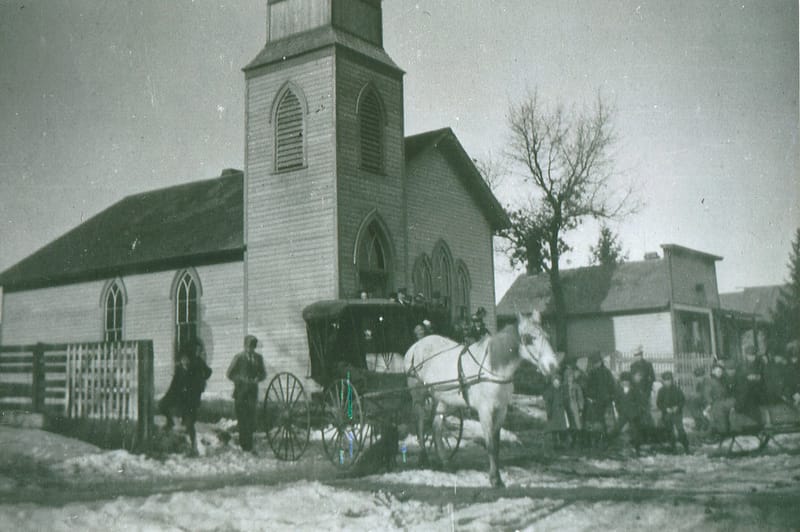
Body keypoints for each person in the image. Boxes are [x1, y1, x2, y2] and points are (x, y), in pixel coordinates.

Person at [159, 340, 212, 454]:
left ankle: (192, 447)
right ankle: (181, 443)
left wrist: (201, 379)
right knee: (180, 420)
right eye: (197, 350)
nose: (199, 352)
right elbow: (175, 384)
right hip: (182, 398)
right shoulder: (187, 366)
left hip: (192, 398)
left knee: (189, 422)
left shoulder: (198, 363)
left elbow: (208, 372)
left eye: (200, 350)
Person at [226, 335, 267, 452]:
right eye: (249, 346)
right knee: (242, 419)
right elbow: (229, 374)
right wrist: (240, 379)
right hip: (240, 393)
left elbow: (263, 373)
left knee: (250, 419)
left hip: (252, 393)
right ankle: (244, 445)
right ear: (245, 346)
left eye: (253, 346)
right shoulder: (239, 358)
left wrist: (257, 378)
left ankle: (248, 445)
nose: (251, 349)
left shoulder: (258, 358)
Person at [612, 371, 651, 454]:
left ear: (629, 382)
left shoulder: (635, 390)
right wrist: (619, 409)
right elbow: (616, 401)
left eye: (626, 382)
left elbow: (641, 401)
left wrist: (638, 411)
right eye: (623, 382)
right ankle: (610, 445)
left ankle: (637, 448)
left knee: (635, 432)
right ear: (621, 382)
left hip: (634, 415)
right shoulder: (618, 390)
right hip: (623, 414)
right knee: (616, 429)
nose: (625, 384)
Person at [584, 353, 616, 448]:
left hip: (598, 401)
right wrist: (611, 397)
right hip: (603, 401)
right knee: (602, 422)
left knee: (598, 422)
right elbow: (612, 386)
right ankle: (604, 440)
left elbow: (588, 387)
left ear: (599, 362)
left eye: (595, 362)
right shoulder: (606, 372)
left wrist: (590, 397)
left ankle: (601, 441)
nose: (595, 364)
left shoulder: (594, 373)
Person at [656, 371, 689, 453]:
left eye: (669, 380)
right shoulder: (661, 391)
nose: (668, 382)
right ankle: (673, 447)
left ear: (672, 380)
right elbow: (659, 403)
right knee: (669, 430)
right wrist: (665, 409)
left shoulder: (677, 390)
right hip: (667, 414)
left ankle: (686, 447)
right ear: (663, 381)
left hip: (677, 413)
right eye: (666, 380)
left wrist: (677, 407)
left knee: (680, 429)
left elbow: (682, 400)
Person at [734, 345, 765, 421]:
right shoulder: (741, 365)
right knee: (746, 395)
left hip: (758, 389)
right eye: (750, 355)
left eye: (753, 355)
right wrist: (747, 378)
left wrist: (757, 377)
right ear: (746, 355)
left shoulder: (760, 364)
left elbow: (763, 375)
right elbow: (738, 378)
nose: (752, 357)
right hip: (746, 389)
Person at [704, 361, 733, 435]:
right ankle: (720, 430)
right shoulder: (710, 381)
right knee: (719, 414)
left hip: (724, 401)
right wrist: (709, 403)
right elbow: (707, 394)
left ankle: (726, 428)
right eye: (718, 371)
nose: (720, 373)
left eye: (721, 371)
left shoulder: (722, 380)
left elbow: (727, 391)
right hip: (715, 402)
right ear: (713, 371)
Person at [543, 374, 569, 448]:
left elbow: (565, 399)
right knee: (554, 429)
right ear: (553, 382)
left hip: (561, 412)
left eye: (558, 382)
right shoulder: (550, 390)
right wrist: (549, 412)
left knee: (562, 430)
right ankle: (555, 444)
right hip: (553, 412)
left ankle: (562, 444)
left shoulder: (562, 390)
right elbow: (548, 402)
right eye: (555, 382)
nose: (557, 383)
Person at [562, 362, 585, 447]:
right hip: (566, 406)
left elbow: (580, 398)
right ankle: (571, 441)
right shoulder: (563, 387)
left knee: (577, 423)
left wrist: (581, 408)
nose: (570, 379)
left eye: (571, 377)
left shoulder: (577, 386)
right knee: (569, 424)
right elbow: (561, 397)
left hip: (574, 406)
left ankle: (578, 440)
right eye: (568, 377)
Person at [688, 366, 710, 431]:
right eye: (697, 377)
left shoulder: (708, 383)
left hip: (710, 402)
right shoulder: (699, 384)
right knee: (692, 404)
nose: (699, 378)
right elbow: (698, 395)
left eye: (700, 376)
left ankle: (705, 424)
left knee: (698, 408)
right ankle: (698, 422)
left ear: (704, 375)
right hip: (703, 402)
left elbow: (708, 396)